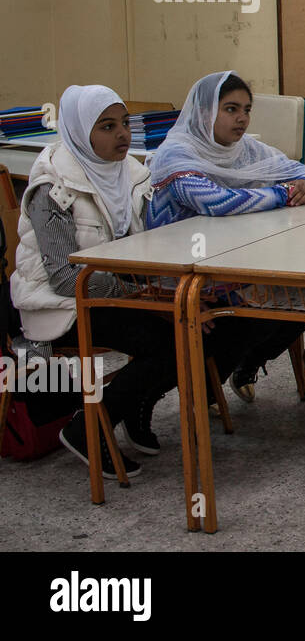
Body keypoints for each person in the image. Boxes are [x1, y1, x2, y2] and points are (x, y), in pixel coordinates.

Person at [10, 86, 175, 476]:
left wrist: (155, 289)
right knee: (165, 343)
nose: (122, 135)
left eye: (124, 124)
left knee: (190, 328)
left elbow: (152, 245)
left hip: (110, 295)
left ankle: (134, 410)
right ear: (80, 131)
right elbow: (66, 277)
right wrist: (135, 291)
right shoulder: (52, 188)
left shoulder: (132, 174)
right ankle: (87, 429)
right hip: (58, 306)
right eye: (106, 126)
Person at [147, 71, 305, 401]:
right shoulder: (175, 154)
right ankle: (207, 390)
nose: (242, 119)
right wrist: (285, 193)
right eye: (231, 109)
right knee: (274, 308)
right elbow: (218, 201)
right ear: (204, 113)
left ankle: (246, 365)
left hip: (232, 262)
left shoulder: (244, 150)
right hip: (182, 274)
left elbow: (299, 170)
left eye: (247, 110)